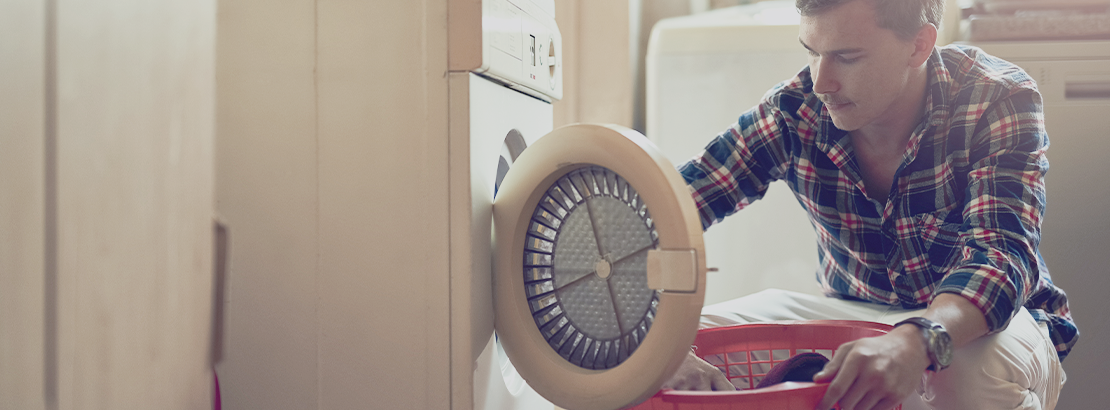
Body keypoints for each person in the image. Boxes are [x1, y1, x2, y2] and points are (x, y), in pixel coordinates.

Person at [659, 0, 1078, 409]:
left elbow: (1003, 257)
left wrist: (916, 340)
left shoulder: (996, 97)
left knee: (958, 373)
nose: (821, 82)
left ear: (919, 45)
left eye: (847, 57)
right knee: (657, 349)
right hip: (849, 309)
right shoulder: (794, 109)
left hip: (986, 325)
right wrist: (661, 349)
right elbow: (665, 209)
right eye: (812, 53)